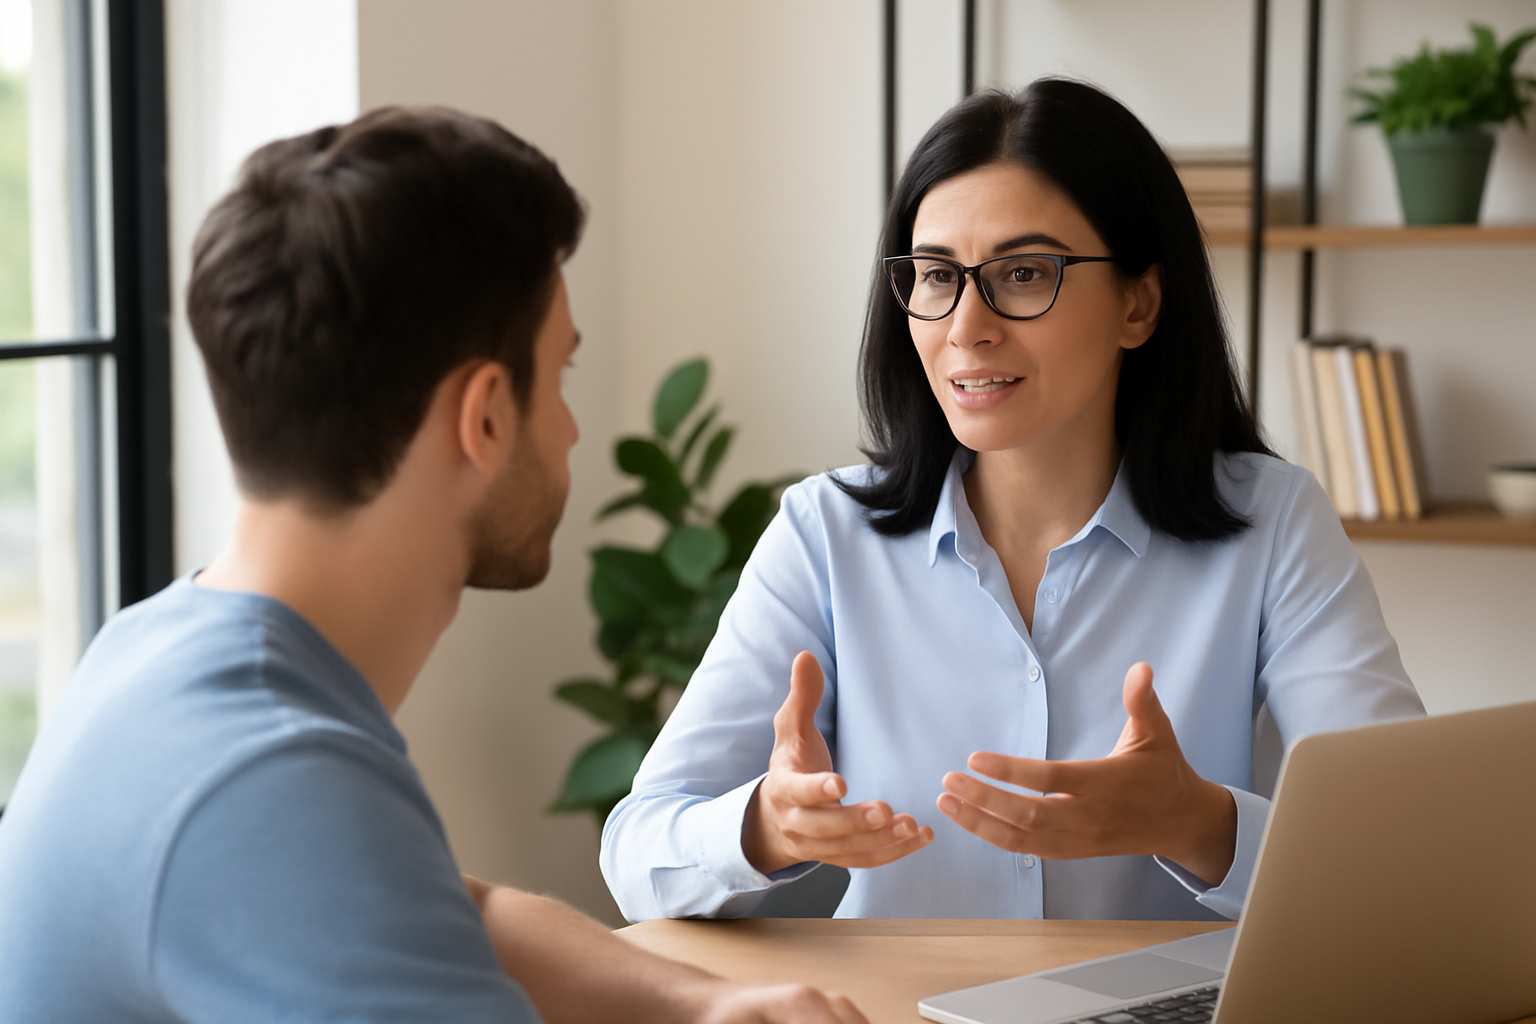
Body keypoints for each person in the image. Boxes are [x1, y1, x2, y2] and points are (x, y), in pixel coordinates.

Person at [0, 107, 867, 1024]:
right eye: (560, 376)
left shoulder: (158, 651)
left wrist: (704, 1007)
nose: (571, 428)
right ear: (486, 415)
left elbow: (464, 914)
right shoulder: (270, 777)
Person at [600, 79, 1424, 923]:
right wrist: (765, 826)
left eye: (1024, 273)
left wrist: (1197, 824)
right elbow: (638, 852)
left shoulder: (1272, 523)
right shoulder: (825, 534)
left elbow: (1407, 855)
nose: (966, 325)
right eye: (934, 276)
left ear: (1138, 303)